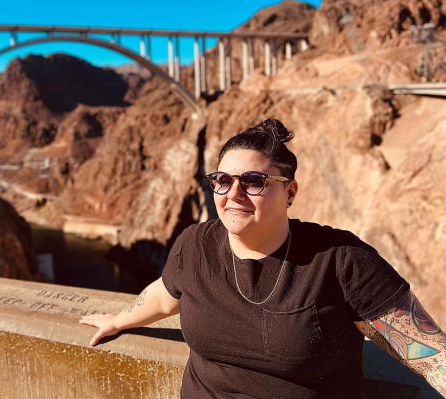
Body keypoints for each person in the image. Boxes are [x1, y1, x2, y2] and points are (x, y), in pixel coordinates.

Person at [79, 118, 446, 398]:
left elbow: (429, 353)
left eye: (253, 181)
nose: (233, 193)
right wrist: (118, 320)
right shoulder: (196, 245)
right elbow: (165, 293)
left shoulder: (339, 260)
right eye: (223, 180)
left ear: (290, 192)